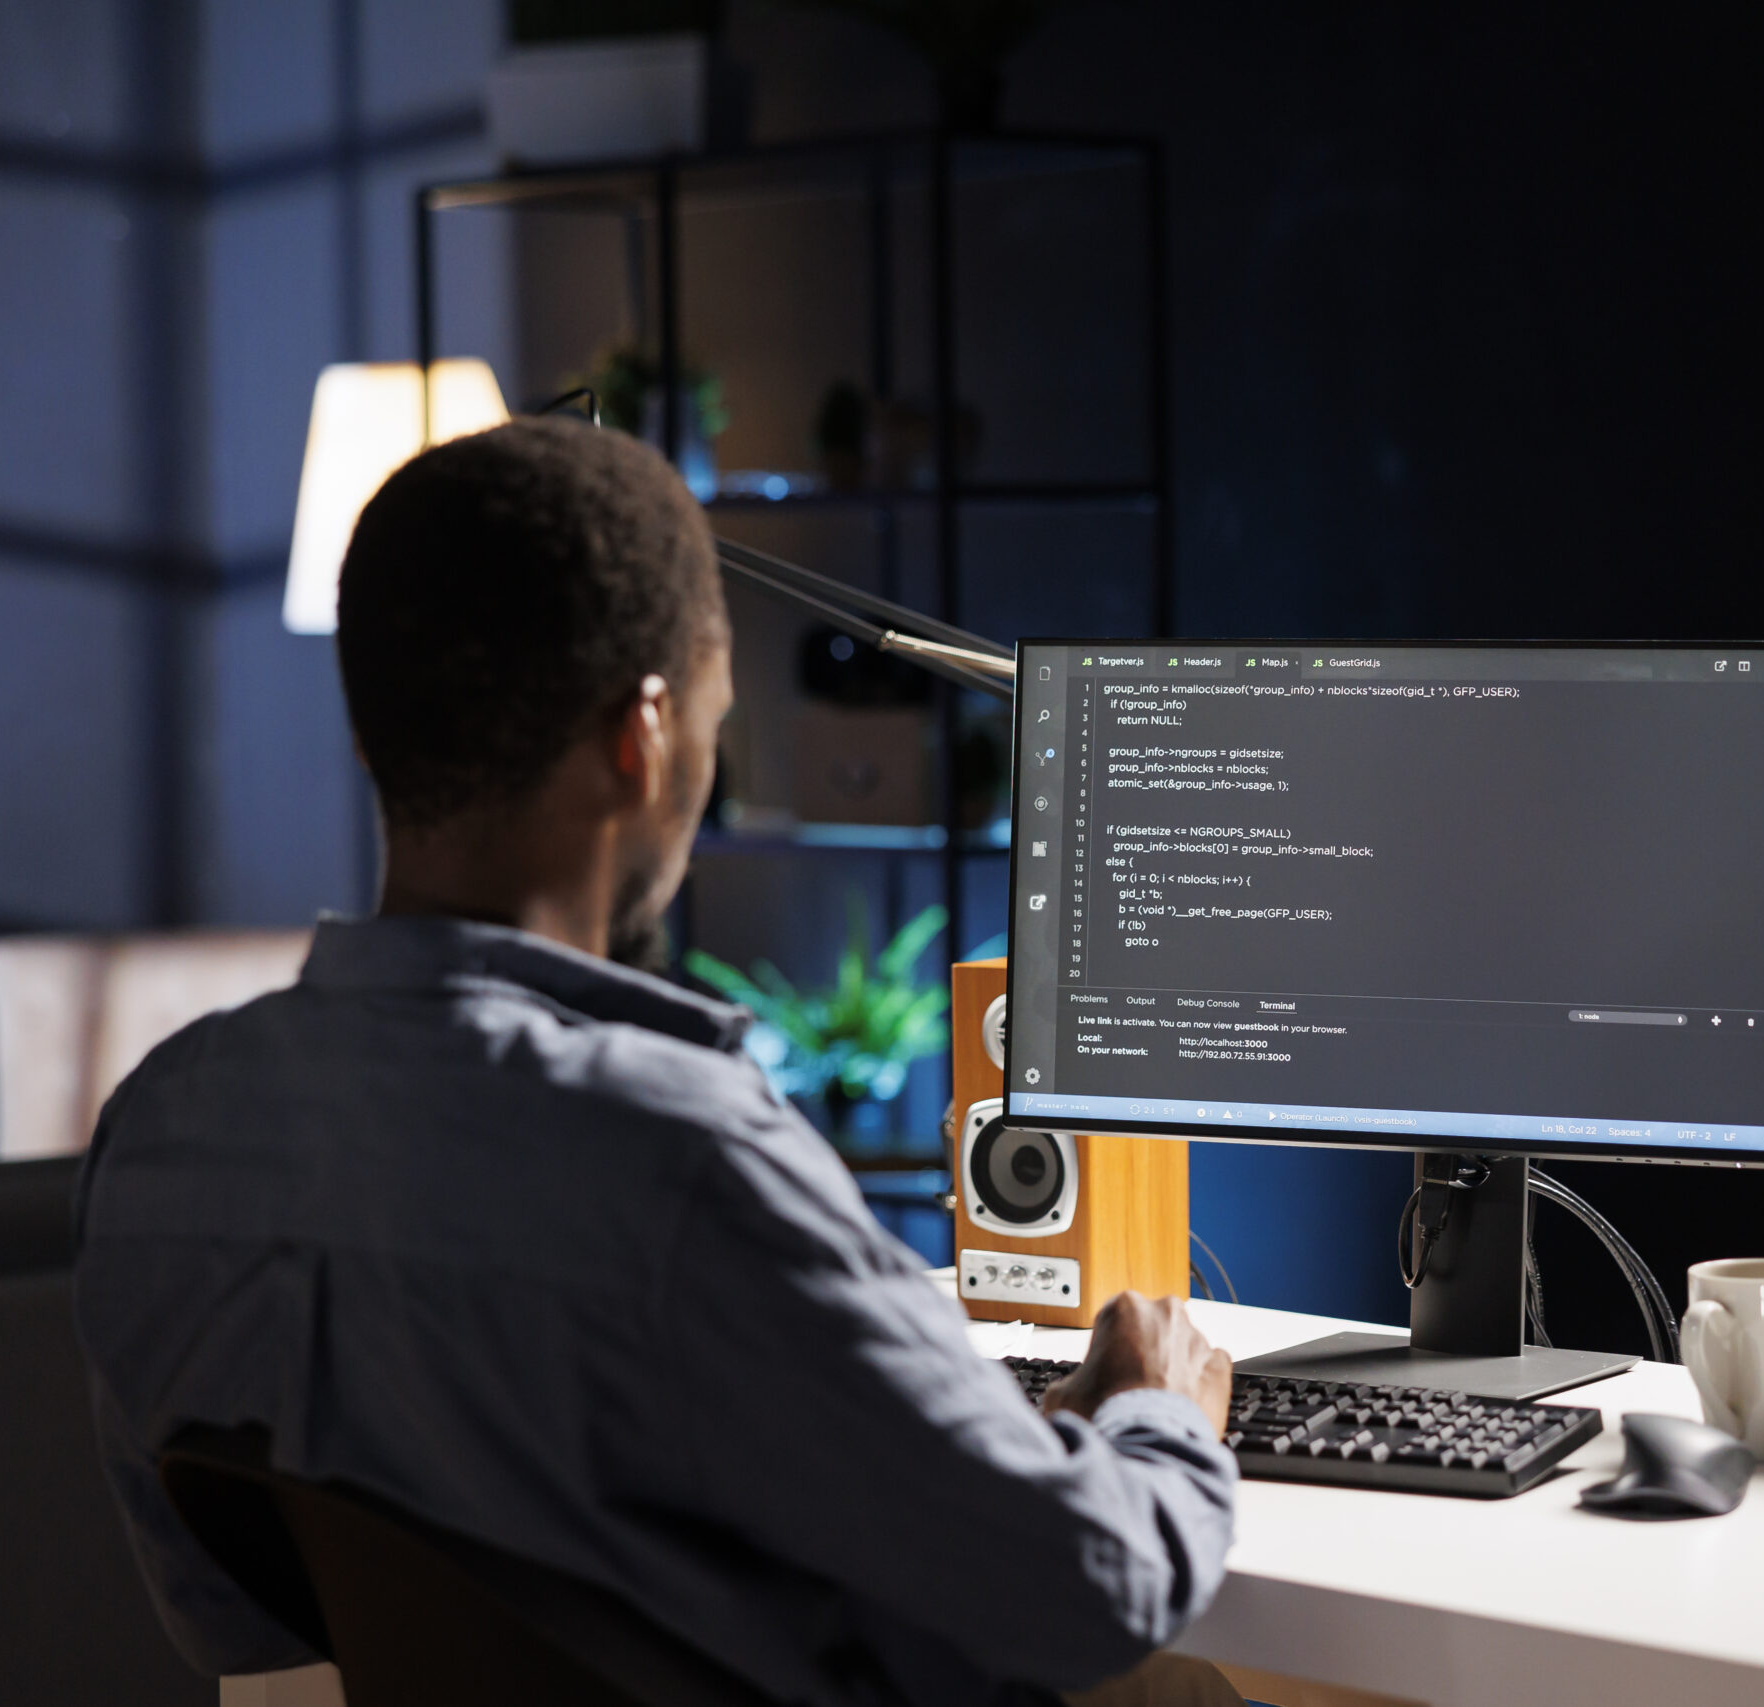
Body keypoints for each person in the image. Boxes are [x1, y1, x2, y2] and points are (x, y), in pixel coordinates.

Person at [73, 418, 1242, 1707]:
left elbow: (227, 1620)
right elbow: (1099, 1589)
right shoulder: (681, 1159)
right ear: (643, 733)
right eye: (714, 721)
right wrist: (1160, 1413)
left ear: (374, 740)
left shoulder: (166, 1128)